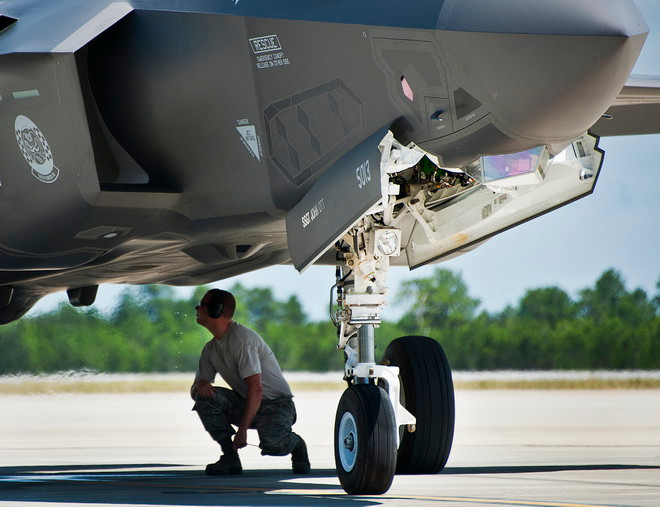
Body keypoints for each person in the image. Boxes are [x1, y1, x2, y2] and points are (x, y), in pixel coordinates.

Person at [190, 288, 310, 475]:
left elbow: (256, 388)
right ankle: (230, 457)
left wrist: (242, 431)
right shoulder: (210, 349)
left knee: (274, 445)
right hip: (246, 403)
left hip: (277, 404)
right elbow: (195, 391)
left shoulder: (242, 340)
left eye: (202, 305)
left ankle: (297, 446)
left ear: (216, 310)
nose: (197, 308)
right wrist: (200, 385)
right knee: (206, 398)